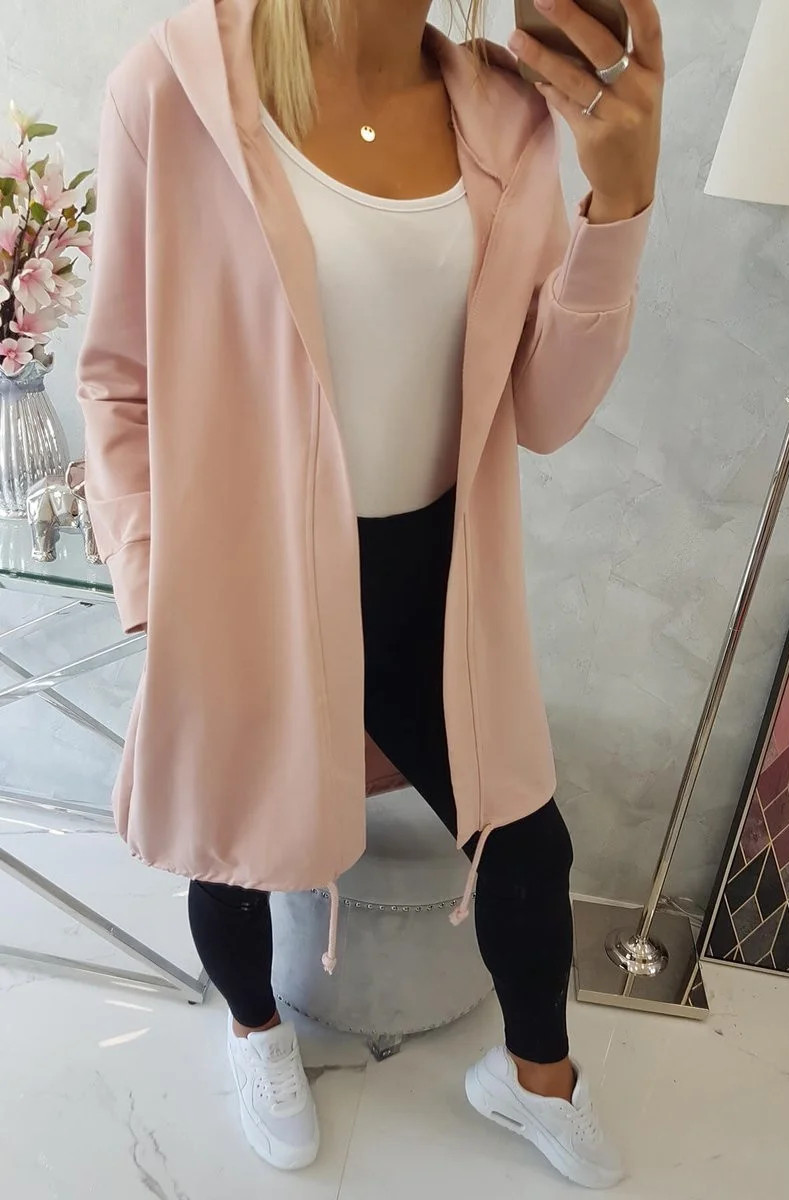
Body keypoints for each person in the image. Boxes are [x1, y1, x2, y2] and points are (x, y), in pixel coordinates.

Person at [78, 0, 663, 1187]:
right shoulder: (173, 91)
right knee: (239, 844)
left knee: (526, 842)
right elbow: (117, 380)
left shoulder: (503, 117)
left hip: (435, 571)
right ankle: (256, 1031)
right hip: (250, 574)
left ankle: (532, 1077)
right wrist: (155, 587)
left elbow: (540, 410)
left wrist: (620, 201)